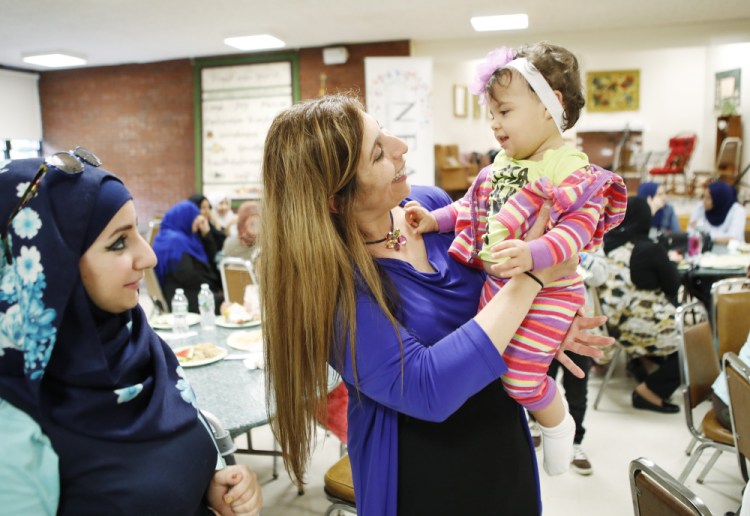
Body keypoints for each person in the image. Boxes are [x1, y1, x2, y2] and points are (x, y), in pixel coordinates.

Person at [258, 94, 613, 515]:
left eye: (384, 130)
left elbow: (493, 284)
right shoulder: (329, 287)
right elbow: (428, 388)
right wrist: (532, 282)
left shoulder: (429, 205)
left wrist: (543, 320)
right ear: (336, 199)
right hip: (420, 469)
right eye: (378, 153)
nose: (400, 147)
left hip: (500, 434)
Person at [404, 43, 626, 475]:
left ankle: (560, 425)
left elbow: (577, 232)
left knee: (521, 379)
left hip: (553, 291)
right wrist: (433, 220)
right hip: (498, 286)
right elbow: (470, 208)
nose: (494, 124)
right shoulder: (498, 169)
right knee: (488, 364)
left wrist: (533, 254)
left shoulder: (571, 172)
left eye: (504, 111)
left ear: (551, 105)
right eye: (491, 114)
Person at [0, 152, 262, 515]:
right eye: (118, 243)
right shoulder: (14, 422)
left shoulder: (138, 345)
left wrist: (208, 485)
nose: (149, 256)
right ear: (53, 265)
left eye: (137, 232)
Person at [600, 195, 682, 413]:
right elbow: (674, 287)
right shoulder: (648, 250)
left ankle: (639, 365)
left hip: (612, 324)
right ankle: (650, 392)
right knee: (694, 341)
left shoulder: (605, 245)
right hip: (635, 328)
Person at [152, 200, 223, 313]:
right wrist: (211, 288)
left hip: (183, 290)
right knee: (223, 302)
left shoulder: (180, 236)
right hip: (180, 296)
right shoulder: (174, 241)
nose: (198, 221)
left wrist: (206, 234)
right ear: (184, 217)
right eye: (195, 217)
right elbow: (186, 274)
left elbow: (211, 259)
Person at [221, 201, 261, 268]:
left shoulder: (229, 242)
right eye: (252, 224)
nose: (256, 228)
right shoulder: (264, 246)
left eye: (258, 223)